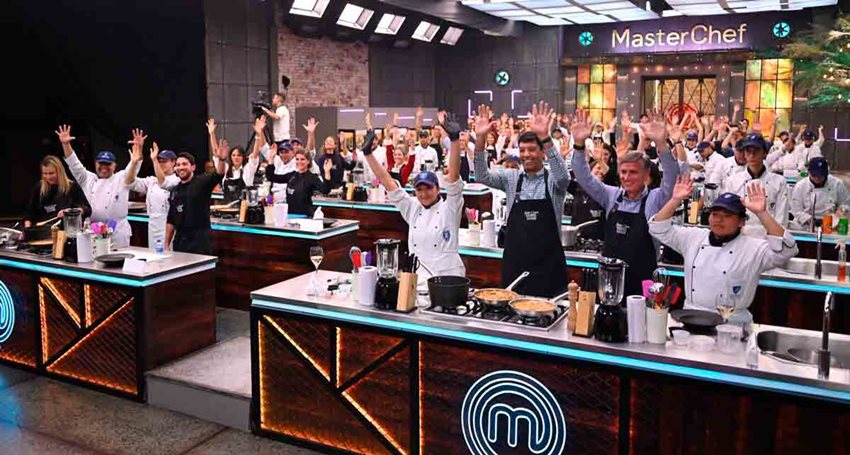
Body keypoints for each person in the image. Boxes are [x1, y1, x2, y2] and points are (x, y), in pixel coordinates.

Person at [650, 176, 798, 324]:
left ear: (742, 222)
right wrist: (675, 200)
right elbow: (658, 229)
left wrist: (762, 213)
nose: (719, 220)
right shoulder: (693, 237)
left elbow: (786, 250)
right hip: (691, 318)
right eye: (715, 214)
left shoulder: (753, 248)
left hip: (733, 324)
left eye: (727, 216)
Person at [571, 109, 680, 298]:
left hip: (642, 282)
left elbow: (672, 179)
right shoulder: (611, 196)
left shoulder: (654, 199)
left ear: (647, 175)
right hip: (609, 282)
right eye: (623, 172)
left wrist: (661, 143)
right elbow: (584, 177)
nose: (626, 177)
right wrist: (579, 145)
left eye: (632, 172)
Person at [474, 102, 571, 297]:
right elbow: (481, 176)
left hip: (548, 266)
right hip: (516, 263)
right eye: (523, 150)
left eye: (532, 150)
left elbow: (564, 177)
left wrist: (545, 136)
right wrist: (480, 138)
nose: (526, 155)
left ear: (543, 153)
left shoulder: (553, 181)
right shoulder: (511, 178)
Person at [363, 112, 466, 280]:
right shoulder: (412, 207)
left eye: (428, 188)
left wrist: (454, 141)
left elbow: (453, 178)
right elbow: (388, 182)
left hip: (448, 279)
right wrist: (368, 154)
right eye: (419, 189)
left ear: (438, 189)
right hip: (418, 279)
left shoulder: (450, 207)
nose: (424, 194)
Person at [57, 125, 143, 248]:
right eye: (101, 163)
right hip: (92, 231)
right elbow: (74, 164)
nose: (104, 167)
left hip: (117, 233)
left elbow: (133, 167)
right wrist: (66, 144)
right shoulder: (87, 178)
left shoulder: (122, 178)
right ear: (95, 163)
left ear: (114, 166)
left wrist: (138, 150)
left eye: (108, 164)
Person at [161, 147, 227, 255]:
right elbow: (171, 220)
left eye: (184, 164)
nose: (180, 167)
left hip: (200, 243)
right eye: (178, 165)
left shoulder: (202, 182)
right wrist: (166, 244)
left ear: (193, 167)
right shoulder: (175, 190)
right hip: (180, 243)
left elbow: (218, 174)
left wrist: (222, 161)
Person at [721, 134, 789, 232]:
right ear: (744, 153)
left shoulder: (779, 182)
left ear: (764, 153)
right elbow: (728, 213)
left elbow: (781, 218)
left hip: (768, 236)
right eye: (748, 151)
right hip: (741, 236)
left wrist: (776, 239)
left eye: (756, 151)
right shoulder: (733, 181)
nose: (752, 155)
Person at [130, 140, 180, 250]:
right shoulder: (151, 181)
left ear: (173, 163)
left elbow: (164, 183)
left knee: (169, 257)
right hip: (153, 224)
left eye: (164, 161)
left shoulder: (177, 181)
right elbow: (131, 182)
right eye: (159, 160)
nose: (161, 163)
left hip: (168, 225)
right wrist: (135, 162)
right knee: (154, 258)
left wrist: (154, 161)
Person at [24, 155, 91, 227]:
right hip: (44, 231)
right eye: (45, 174)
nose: (48, 177)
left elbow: (87, 210)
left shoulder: (72, 187)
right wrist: (28, 229)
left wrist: (70, 211)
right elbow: (29, 214)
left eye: (51, 173)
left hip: (67, 230)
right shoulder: (39, 188)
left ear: (59, 172)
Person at [206, 118, 261, 202]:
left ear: (243, 157)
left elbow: (255, 154)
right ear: (230, 157)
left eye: (239, 155)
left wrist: (258, 135)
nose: (236, 157)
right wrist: (212, 133)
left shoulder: (248, 169)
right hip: (228, 209)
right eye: (234, 155)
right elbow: (216, 153)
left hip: (244, 209)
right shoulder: (226, 169)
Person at [264, 149, 332, 217]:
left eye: (302, 159)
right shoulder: (292, 175)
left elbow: (325, 190)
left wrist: (327, 172)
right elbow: (271, 177)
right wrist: (271, 159)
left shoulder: (312, 177)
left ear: (308, 161)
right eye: (297, 159)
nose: (299, 162)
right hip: (290, 216)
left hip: (305, 216)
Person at [789, 157, 850, 230]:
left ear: (826, 173)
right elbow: (796, 210)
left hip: (832, 224)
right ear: (809, 172)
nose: (817, 178)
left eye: (820, 175)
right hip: (805, 225)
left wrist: (841, 211)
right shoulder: (800, 186)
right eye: (814, 175)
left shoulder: (837, 184)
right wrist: (811, 220)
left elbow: (846, 203)